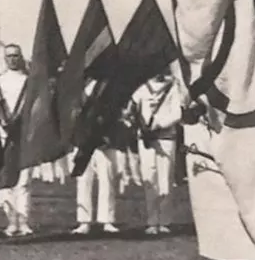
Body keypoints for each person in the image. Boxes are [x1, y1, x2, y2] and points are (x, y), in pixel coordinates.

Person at [132, 70, 182, 234]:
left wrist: (159, 124)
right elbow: (132, 108)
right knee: (149, 177)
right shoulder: (141, 87)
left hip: (166, 136)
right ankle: (152, 221)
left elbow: (178, 112)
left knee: (165, 178)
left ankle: (165, 221)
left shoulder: (173, 86)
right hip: (146, 138)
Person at [73, 79, 121, 235]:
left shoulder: (110, 86)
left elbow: (116, 112)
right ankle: (84, 221)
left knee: (107, 179)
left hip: (104, 140)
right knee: (83, 180)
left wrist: (108, 135)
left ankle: (107, 220)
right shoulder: (77, 89)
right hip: (83, 141)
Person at [0, 43, 31, 236]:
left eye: (16, 55)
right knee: (5, 180)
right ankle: (11, 221)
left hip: (23, 134)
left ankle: (23, 221)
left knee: (23, 181)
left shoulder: (28, 81)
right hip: (3, 135)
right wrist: (3, 120)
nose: (13, 59)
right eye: (9, 56)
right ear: (4, 59)